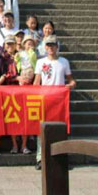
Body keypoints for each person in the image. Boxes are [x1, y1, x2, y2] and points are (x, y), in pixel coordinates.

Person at [33, 36, 76, 169]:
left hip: (60, 100)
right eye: (48, 45)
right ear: (45, 47)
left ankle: (61, 157)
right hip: (44, 99)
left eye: (53, 45)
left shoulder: (64, 62)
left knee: (61, 128)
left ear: (57, 46)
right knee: (41, 129)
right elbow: (36, 82)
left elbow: (71, 80)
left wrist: (71, 85)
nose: (50, 48)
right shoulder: (40, 62)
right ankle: (40, 158)